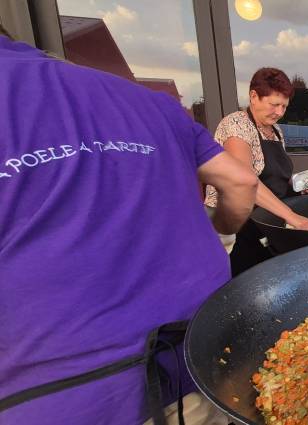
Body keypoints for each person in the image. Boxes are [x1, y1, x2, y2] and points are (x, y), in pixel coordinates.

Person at [0, 30, 258, 425]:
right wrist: (222, 235)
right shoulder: (148, 101)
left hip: (53, 402)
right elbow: (240, 183)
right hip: (200, 369)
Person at [204, 67, 308, 276]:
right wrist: (292, 216)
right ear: (254, 96)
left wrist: (297, 184)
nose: (279, 112)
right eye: (274, 104)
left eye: (284, 106)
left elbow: (273, 176)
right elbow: (244, 180)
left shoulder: (275, 130)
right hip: (233, 224)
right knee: (238, 281)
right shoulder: (237, 124)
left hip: (264, 220)